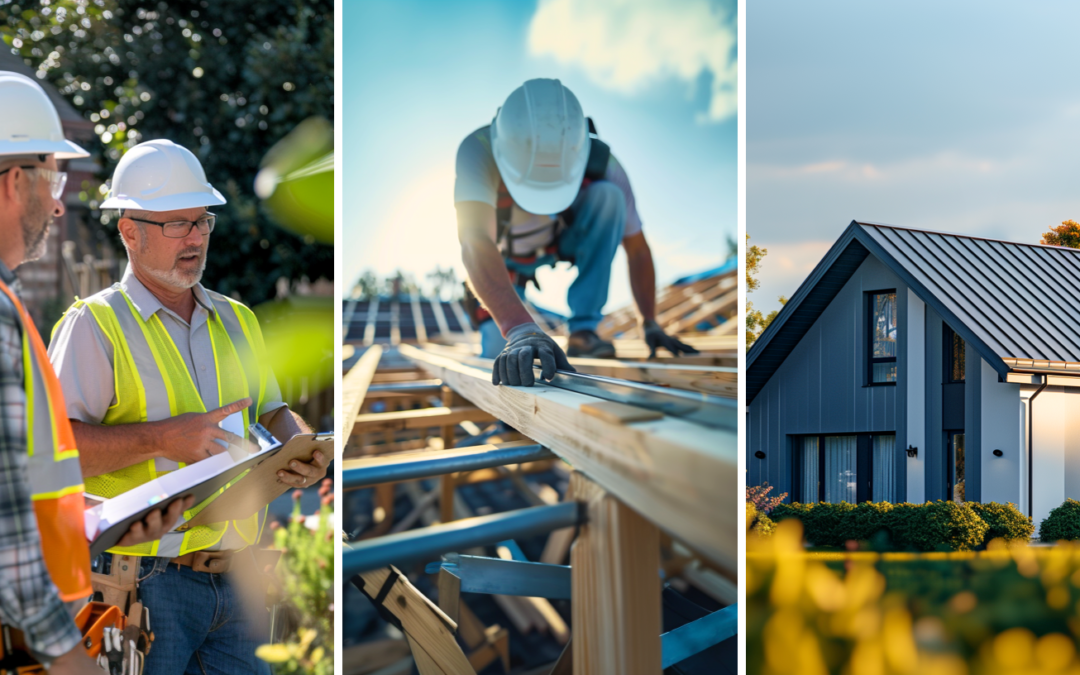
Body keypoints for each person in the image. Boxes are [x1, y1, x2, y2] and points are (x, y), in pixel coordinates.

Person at [48, 138, 329, 675]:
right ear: (130, 231)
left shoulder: (238, 320)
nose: (195, 236)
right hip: (143, 583)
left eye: (202, 221)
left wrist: (301, 447)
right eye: (177, 223)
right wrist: (159, 438)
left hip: (238, 579)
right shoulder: (95, 324)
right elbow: (57, 454)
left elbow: (271, 411)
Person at [0, 72, 189, 674]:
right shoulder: (12, 319)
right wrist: (68, 660)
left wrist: (93, 524)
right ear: (11, 182)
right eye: (53, 177)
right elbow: (12, 551)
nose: (59, 202)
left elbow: (18, 491)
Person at [455, 78, 698, 387]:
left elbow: (637, 250)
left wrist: (649, 321)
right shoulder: (478, 150)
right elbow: (475, 241)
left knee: (608, 199)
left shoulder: (604, 164)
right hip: (503, 261)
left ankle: (584, 330)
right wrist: (518, 328)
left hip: (561, 240)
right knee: (503, 365)